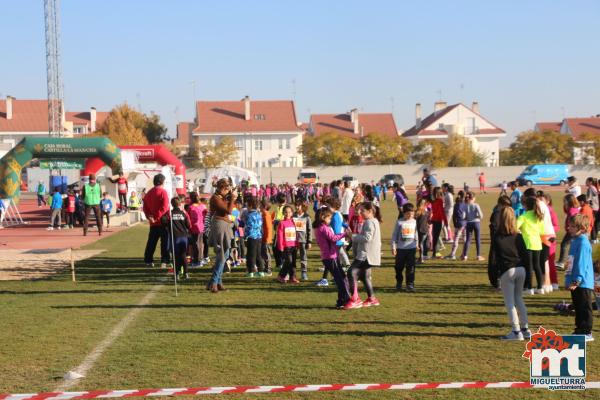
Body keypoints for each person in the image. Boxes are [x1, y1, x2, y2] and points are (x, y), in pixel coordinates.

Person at [492, 207, 531, 341]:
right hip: (521, 270)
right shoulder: (519, 236)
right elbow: (526, 256)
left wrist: (494, 280)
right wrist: (529, 279)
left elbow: (494, 260)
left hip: (507, 271)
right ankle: (525, 329)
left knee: (510, 303)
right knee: (519, 298)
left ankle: (516, 331)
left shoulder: (497, 237)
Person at [345, 202, 382, 309]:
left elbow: (367, 238)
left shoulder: (370, 222)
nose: (360, 212)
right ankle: (372, 299)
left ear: (370, 211)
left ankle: (355, 299)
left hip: (366, 255)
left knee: (351, 272)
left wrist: (353, 236)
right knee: (364, 276)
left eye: (362, 211)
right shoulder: (373, 221)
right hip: (369, 254)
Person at [565, 214, 595, 342]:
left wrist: (577, 280)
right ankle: (579, 329)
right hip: (575, 281)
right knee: (578, 306)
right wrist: (568, 278)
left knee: (584, 307)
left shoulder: (583, 242)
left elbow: (581, 264)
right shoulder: (575, 241)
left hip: (582, 283)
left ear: (581, 228)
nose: (568, 228)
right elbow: (571, 262)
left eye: (572, 226)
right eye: (570, 225)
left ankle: (586, 331)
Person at [313, 208, 351, 308]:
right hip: (330, 256)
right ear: (322, 217)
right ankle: (345, 300)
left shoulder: (318, 227)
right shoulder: (323, 228)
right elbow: (333, 238)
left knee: (342, 277)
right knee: (340, 279)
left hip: (329, 256)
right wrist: (344, 234)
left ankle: (341, 300)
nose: (330, 220)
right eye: (329, 218)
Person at [207, 178, 237, 292]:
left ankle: (216, 282)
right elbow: (228, 211)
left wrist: (230, 197)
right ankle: (215, 282)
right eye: (226, 189)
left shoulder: (220, 197)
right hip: (220, 225)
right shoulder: (215, 198)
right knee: (222, 255)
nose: (228, 191)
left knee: (225, 253)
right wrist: (232, 198)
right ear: (221, 188)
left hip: (224, 224)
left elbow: (228, 207)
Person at [517, 196, 545, 295]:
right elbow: (542, 231)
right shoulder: (538, 216)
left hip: (527, 243)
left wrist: (520, 232)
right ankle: (540, 287)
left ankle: (529, 288)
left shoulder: (523, 217)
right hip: (537, 243)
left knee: (529, 266)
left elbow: (515, 227)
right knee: (537, 266)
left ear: (526, 206)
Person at [143, 173, 171, 268]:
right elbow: (165, 207)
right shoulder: (163, 192)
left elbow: (145, 207)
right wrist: (157, 217)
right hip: (162, 221)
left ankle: (148, 260)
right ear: (162, 182)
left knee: (151, 242)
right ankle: (165, 260)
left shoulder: (148, 193)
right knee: (165, 242)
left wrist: (149, 217)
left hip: (153, 222)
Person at [392, 203, 419, 292]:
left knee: (411, 267)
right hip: (401, 249)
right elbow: (394, 235)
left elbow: (416, 234)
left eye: (412, 214)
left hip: (411, 248)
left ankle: (410, 285)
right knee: (399, 267)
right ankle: (399, 282)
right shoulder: (399, 222)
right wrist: (393, 247)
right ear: (404, 213)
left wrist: (417, 244)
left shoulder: (415, 222)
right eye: (408, 214)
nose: (410, 215)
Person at [168, 197, 191, 278]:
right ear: (180, 204)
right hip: (184, 237)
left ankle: (177, 273)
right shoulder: (183, 213)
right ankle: (186, 273)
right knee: (183, 255)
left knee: (175, 256)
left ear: (171, 204)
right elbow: (188, 225)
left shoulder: (170, 214)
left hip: (175, 237)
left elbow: (163, 221)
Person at [557, 194, 581, 269]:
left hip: (571, 231)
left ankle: (561, 262)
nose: (564, 202)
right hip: (571, 230)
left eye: (565, 201)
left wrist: (569, 227)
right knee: (567, 245)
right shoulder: (573, 208)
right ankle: (563, 262)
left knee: (564, 244)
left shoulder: (572, 210)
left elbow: (573, 220)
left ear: (569, 201)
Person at [276, 205, 299, 284]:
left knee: (293, 262)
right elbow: (280, 236)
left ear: (292, 213)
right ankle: (281, 276)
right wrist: (281, 246)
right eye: (286, 212)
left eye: (289, 212)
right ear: (283, 213)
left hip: (294, 246)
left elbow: (297, 233)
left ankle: (292, 277)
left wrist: (297, 244)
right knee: (288, 261)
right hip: (286, 246)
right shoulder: (282, 223)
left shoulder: (294, 222)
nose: (287, 214)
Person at [244, 196, 265, 278]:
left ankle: (251, 272)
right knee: (258, 254)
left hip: (251, 237)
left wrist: (246, 237)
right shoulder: (259, 214)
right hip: (259, 237)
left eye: (247, 206)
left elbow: (249, 228)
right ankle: (261, 271)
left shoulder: (249, 215)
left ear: (250, 206)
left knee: (250, 255)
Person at [461, 192, 484, 261]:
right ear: (473, 198)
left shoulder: (465, 205)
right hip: (476, 223)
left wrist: (467, 218)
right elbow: (481, 216)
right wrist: (476, 216)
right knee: (477, 239)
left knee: (468, 239)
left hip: (469, 223)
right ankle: (478, 256)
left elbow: (463, 216)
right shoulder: (476, 205)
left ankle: (465, 256)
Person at [293, 200, 312, 281]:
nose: (297, 207)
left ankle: (304, 272)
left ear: (302, 206)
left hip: (303, 241)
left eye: (298, 205)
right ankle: (292, 273)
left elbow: (309, 230)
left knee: (303, 257)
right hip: (293, 240)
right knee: (292, 257)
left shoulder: (307, 217)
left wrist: (309, 241)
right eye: (296, 206)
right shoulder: (293, 216)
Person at [188, 192, 207, 267]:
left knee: (195, 244)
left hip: (194, 228)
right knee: (200, 244)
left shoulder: (191, 207)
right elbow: (206, 216)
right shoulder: (203, 206)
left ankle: (197, 261)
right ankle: (200, 259)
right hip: (201, 227)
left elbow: (188, 218)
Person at [447, 191, 467, 261]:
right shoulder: (466, 204)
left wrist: (455, 223)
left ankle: (453, 254)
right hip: (465, 223)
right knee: (464, 239)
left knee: (456, 238)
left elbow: (455, 215)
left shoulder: (457, 204)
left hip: (459, 223)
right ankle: (464, 254)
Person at [430, 187, 447, 258]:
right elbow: (442, 212)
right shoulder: (440, 201)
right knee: (436, 237)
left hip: (435, 220)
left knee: (435, 236)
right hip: (438, 220)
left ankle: (435, 252)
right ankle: (436, 253)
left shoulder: (434, 201)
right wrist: (445, 221)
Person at [260, 198, 273, 276]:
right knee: (263, 253)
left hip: (266, 239)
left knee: (266, 254)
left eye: (260, 206)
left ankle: (268, 270)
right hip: (263, 237)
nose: (259, 207)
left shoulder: (266, 215)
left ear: (264, 206)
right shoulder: (264, 214)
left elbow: (268, 227)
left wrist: (267, 238)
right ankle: (265, 268)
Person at [415, 198, 430, 263]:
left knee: (420, 244)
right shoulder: (426, 211)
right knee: (422, 244)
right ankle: (421, 257)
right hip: (425, 229)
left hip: (420, 230)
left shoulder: (418, 211)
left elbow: (415, 220)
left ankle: (421, 258)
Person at [586, 177, 600, 243]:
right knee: (596, 223)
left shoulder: (590, 188)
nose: (586, 182)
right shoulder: (594, 188)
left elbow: (589, 199)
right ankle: (595, 238)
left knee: (592, 223)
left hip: (593, 208)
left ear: (590, 182)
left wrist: (587, 204)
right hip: (596, 207)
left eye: (587, 181)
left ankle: (593, 238)